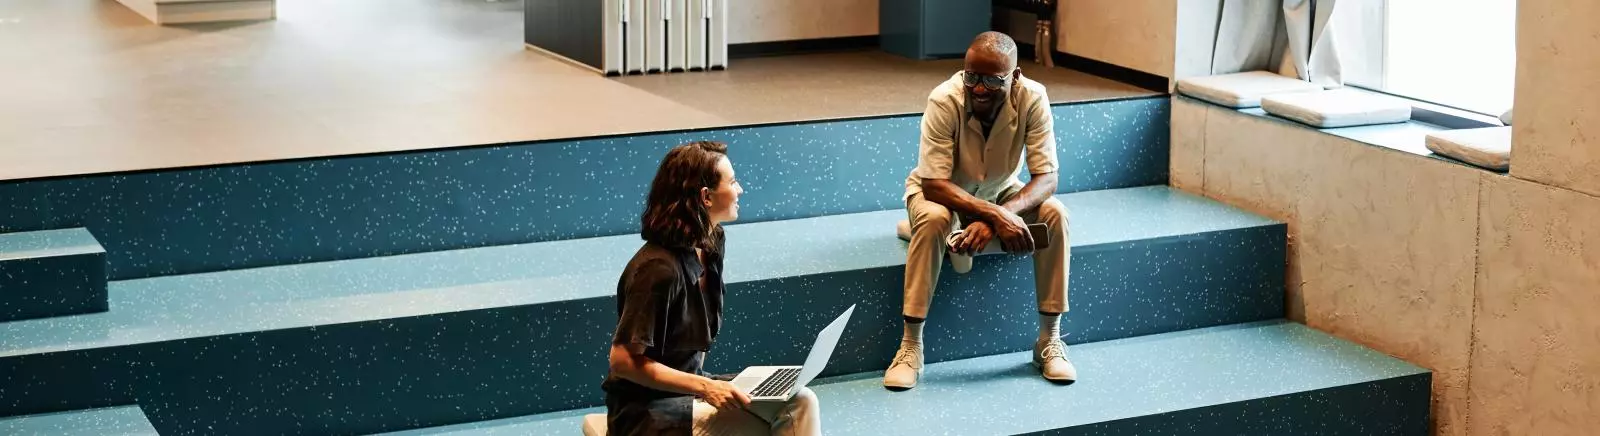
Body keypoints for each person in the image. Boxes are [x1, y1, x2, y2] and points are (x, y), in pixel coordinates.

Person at [884, 32, 1077, 390]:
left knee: (1055, 214)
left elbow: (1047, 177)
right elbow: (934, 185)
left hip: (1001, 188)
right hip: (942, 193)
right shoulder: (944, 99)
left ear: (1015, 75)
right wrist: (997, 216)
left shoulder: (1033, 97)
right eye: (972, 76)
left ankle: (1049, 340)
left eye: (993, 80)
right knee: (936, 220)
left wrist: (999, 214)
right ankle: (910, 347)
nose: (979, 88)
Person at [602, 141, 822, 436]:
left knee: (800, 399)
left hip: (691, 389)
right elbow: (623, 361)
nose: (740, 189)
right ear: (705, 196)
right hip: (647, 410)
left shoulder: (712, 241)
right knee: (768, 426)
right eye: (732, 182)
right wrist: (706, 387)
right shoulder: (656, 270)